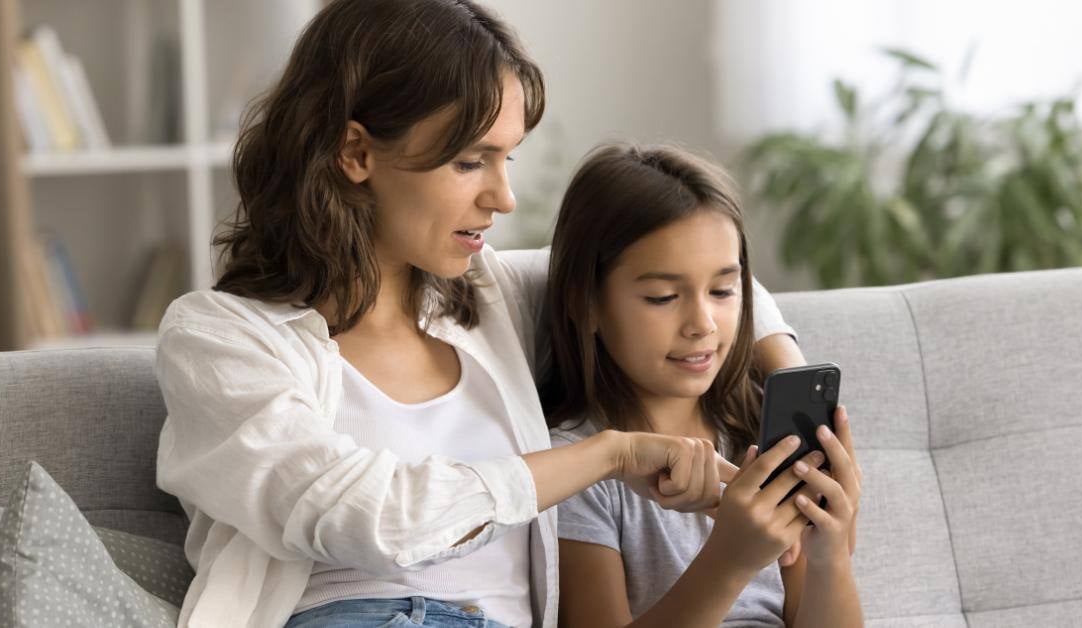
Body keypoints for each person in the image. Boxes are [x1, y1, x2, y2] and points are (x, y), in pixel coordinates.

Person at [153, 2, 806, 626]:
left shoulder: (486, 295)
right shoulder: (220, 339)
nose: (505, 197)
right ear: (356, 153)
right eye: (470, 162)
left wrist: (796, 388)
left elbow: (678, 270)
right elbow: (371, 518)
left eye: (507, 157)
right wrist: (610, 455)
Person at [543, 144, 864, 628]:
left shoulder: (761, 432)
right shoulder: (578, 465)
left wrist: (829, 551)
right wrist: (730, 560)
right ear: (586, 302)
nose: (702, 324)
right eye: (663, 297)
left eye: (722, 291)